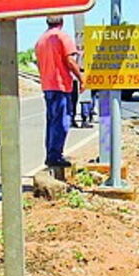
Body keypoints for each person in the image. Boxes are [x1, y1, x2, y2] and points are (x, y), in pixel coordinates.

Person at [34, 16, 83, 167]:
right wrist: (82, 78)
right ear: (62, 23)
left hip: (47, 86)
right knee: (62, 121)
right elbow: (70, 61)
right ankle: (55, 155)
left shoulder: (40, 40)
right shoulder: (62, 37)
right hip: (60, 85)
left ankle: (51, 154)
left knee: (52, 122)